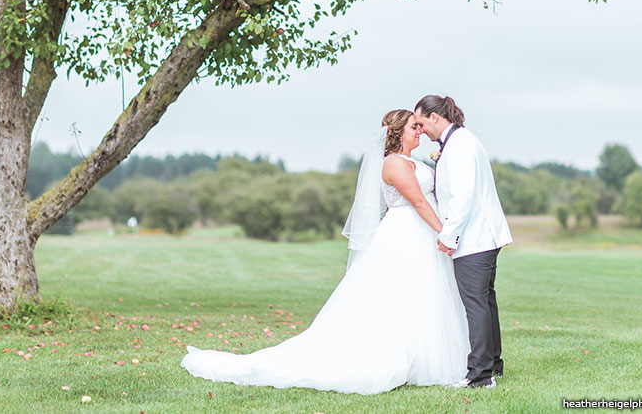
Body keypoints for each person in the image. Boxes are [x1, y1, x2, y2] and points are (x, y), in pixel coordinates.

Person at [181, 109, 469, 394]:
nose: (419, 131)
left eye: (419, 127)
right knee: (397, 296)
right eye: (412, 127)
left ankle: (422, 360)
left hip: (420, 234)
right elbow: (418, 203)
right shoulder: (394, 164)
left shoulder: (410, 160)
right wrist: (446, 233)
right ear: (397, 133)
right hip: (406, 232)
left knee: (421, 295)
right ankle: (394, 359)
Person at [414, 95, 513, 389]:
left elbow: (463, 196)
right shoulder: (461, 141)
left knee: (475, 304)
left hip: (474, 237)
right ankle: (492, 364)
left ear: (435, 117)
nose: (421, 131)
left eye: (421, 123)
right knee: (484, 301)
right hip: (482, 235)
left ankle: (480, 376)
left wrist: (448, 236)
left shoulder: (459, 144)